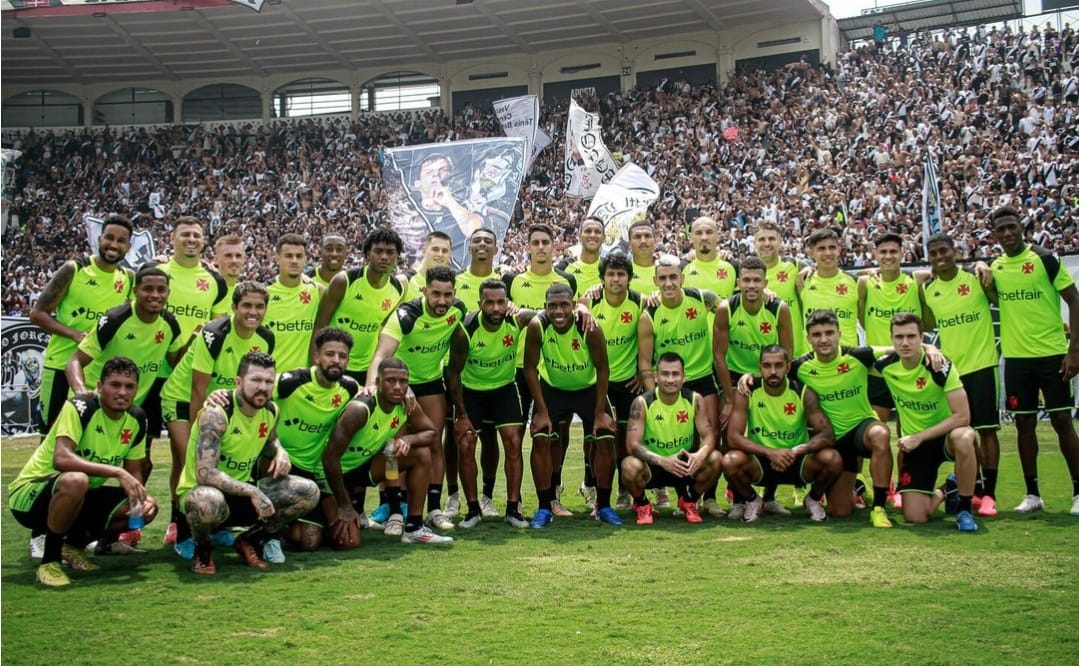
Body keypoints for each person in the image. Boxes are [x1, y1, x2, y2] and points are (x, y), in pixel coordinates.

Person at [9, 357, 157, 587]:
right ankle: (49, 562)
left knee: (148, 507)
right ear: (99, 387)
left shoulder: (137, 418)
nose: (122, 392)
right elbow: (61, 458)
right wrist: (117, 472)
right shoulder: (81, 407)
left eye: (129, 386)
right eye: (114, 385)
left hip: (81, 497)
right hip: (31, 495)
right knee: (76, 480)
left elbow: (134, 472)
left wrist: (141, 500)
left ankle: (74, 546)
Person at [178, 352, 320, 574]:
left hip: (244, 494)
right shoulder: (217, 413)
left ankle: (250, 540)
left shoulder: (271, 410)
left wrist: (280, 452)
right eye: (255, 380)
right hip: (206, 493)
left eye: (268, 381)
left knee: (308, 491)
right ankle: (202, 550)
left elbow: (271, 440)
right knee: (206, 501)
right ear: (238, 382)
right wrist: (252, 491)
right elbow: (204, 473)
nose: (262, 387)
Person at [752, 309, 895, 526]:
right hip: (831, 441)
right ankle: (851, 487)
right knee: (840, 511)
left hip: (860, 429)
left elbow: (901, 349)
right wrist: (747, 378)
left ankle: (879, 507)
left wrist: (929, 348)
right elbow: (773, 375)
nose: (824, 339)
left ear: (839, 333)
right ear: (808, 338)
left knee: (880, 434)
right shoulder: (800, 367)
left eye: (829, 333)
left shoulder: (858, 355)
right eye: (817, 335)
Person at [161, 282, 275, 552]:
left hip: (222, 405)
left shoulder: (266, 337)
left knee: (218, 464)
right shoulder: (214, 334)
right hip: (183, 398)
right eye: (246, 305)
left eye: (259, 306)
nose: (253, 311)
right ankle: (181, 528)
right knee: (186, 459)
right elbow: (198, 387)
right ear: (234, 307)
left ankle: (218, 524)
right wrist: (196, 437)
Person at [988, 206, 1079, 516]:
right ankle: (1032, 493)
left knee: (1062, 422)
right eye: (1001, 230)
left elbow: (1074, 300)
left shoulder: (1044, 259)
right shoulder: (996, 267)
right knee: (1023, 424)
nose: (1007, 233)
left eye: (1012, 227)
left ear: (1021, 228)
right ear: (995, 235)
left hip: (1052, 355)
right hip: (1016, 360)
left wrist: (1074, 351)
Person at [366, 265, 467, 531]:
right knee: (394, 449)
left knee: (434, 442)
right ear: (424, 290)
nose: (442, 301)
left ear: (454, 293)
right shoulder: (406, 315)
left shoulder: (459, 311)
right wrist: (372, 386)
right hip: (399, 387)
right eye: (436, 294)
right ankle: (396, 513)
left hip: (432, 383)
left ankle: (434, 509)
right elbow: (381, 355)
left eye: (447, 295)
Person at [65, 266, 186, 486]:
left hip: (130, 409)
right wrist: (82, 394)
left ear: (169, 293)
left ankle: (130, 512)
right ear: (136, 290)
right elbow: (74, 361)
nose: (155, 295)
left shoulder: (170, 324)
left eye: (161, 290)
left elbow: (176, 362)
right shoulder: (115, 318)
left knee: (142, 465)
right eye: (148, 289)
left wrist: (193, 343)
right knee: (79, 469)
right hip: (95, 404)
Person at [323, 358, 452, 545]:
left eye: (403, 382)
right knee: (338, 541)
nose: (398, 387)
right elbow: (329, 459)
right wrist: (344, 504)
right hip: (333, 476)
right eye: (391, 380)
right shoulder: (360, 409)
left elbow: (431, 432)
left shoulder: (406, 404)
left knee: (421, 454)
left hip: (364, 468)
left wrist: (408, 439)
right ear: (377, 383)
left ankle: (414, 528)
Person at [920, 233, 1001, 517]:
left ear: (956, 251)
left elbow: (998, 299)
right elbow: (928, 323)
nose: (940, 257)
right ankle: (971, 488)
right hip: (951, 373)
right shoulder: (929, 289)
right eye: (934, 254)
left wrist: (983, 265)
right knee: (961, 434)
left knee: (987, 431)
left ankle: (989, 494)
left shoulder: (975, 278)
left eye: (944, 251)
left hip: (981, 365)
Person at [524, 283, 619, 528]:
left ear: (573, 304)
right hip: (553, 389)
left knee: (606, 437)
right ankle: (545, 507)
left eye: (564, 305)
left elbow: (603, 369)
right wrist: (542, 410)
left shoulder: (589, 327)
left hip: (587, 389)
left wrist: (599, 412)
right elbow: (530, 368)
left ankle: (604, 505)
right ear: (545, 307)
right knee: (541, 438)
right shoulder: (538, 326)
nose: (558, 311)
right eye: (552, 306)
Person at [875, 314, 980, 531]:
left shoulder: (940, 367)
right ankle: (948, 488)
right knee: (916, 517)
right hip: (918, 448)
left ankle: (964, 509)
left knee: (965, 436)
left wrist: (918, 437)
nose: (905, 343)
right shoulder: (884, 365)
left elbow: (962, 416)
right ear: (891, 339)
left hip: (944, 438)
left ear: (921, 336)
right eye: (899, 337)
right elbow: (849, 351)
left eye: (912, 337)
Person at [31, 213, 134, 432]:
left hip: (99, 372)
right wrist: (75, 334)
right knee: (50, 433)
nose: (113, 244)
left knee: (87, 435)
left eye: (120, 240)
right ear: (99, 239)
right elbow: (38, 313)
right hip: (61, 363)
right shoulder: (74, 269)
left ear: (129, 246)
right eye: (109, 238)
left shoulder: (128, 278)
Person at [447, 278, 534, 528]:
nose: (496, 308)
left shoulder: (516, 320)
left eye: (500, 302)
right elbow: (453, 373)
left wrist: (581, 309)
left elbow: (544, 314)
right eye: (489, 303)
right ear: (480, 303)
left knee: (514, 442)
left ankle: (512, 509)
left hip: (505, 390)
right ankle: (473, 509)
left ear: (507, 302)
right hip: (471, 393)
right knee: (466, 443)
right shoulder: (466, 330)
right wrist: (461, 414)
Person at [712, 256, 794, 516]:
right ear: (738, 282)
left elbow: (787, 352)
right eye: (746, 279)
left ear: (765, 282)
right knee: (728, 438)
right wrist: (728, 396)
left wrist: (771, 380)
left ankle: (769, 497)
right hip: (735, 378)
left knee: (771, 431)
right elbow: (719, 356)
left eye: (756, 280)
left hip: (768, 375)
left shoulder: (779, 309)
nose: (751, 285)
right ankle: (740, 499)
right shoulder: (727, 308)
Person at [505, 223, 577, 516]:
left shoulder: (566, 280)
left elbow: (576, 312)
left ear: (554, 246)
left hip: (552, 370)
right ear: (528, 247)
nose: (541, 247)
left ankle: (553, 495)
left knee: (555, 433)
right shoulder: (512, 280)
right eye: (535, 242)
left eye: (546, 242)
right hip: (518, 369)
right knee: (517, 435)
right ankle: (516, 499)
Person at [637, 254, 719, 510]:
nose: (669, 283)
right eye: (663, 278)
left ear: (682, 278)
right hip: (669, 385)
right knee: (670, 436)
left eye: (674, 277)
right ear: (655, 280)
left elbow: (729, 308)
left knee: (709, 437)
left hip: (702, 378)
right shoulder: (648, 315)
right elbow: (645, 363)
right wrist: (654, 399)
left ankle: (708, 499)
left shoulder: (702, 298)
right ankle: (667, 487)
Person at [724, 345, 842, 523]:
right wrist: (770, 452)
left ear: (787, 367)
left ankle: (813, 499)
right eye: (767, 366)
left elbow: (826, 434)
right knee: (730, 461)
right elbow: (733, 437)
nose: (773, 371)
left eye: (779, 365)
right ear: (759, 368)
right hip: (762, 462)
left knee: (833, 459)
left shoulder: (803, 392)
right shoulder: (748, 391)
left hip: (795, 459)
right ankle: (753, 500)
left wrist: (795, 451)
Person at [272, 327, 361, 552]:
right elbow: (253, 393)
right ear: (316, 357)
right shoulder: (290, 382)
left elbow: (373, 395)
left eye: (342, 356)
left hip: (318, 473)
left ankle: (309, 519)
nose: (336, 361)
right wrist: (220, 396)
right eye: (330, 354)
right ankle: (273, 529)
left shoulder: (349, 388)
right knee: (306, 541)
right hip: (281, 468)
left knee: (345, 541)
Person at [621, 352, 723, 525]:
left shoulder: (695, 399)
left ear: (684, 377)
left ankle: (689, 501)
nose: (670, 379)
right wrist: (662, 460)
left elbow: (709, 436)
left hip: (683, 464)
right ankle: (642, 504)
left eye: (675, 374)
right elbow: (632, 445)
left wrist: (700, 454)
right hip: (654, 465)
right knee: (629, 466)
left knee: (716, 459)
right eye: (665, 374)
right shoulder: (642, 403)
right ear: (656, 376)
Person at [583, 251, 645, 510]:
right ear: (602, 278)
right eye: (611, 274)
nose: (616, 279)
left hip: (628, 382)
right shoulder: (591, 302)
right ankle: (592, 485)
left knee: (627, 441)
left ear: (629, 278)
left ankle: (624, 490)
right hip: (598, 383)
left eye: (621, 274)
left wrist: (643, 372)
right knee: (596, 439)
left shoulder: (640, 302)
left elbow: (647, 337)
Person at [312, 227, 408, 385]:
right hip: (334, 365)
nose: (384, 257)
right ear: (368, 254)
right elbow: (320, 325)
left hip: (366, 369)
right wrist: (316, 366)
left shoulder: (398, 290)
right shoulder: (344, 281)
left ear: (397, 256)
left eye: (390, 252)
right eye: (378, 251)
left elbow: (382, 330)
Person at [857, 232, 922, 423]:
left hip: (909, 365)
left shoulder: (915, 281)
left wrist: (980, 264)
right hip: (878, 366)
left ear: (902, 253)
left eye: (893, 251)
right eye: (883, 252)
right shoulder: (866, 283)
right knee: (878, 429)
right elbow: (862, 318)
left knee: (911, 427)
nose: (888, 256)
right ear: (875, 255)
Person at [412, 153, 483, 268]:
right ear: (417, 183)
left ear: (450, 175)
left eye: (442, 170)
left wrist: (450, 202)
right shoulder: (409, 213)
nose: (436, 175)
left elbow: (474, 232)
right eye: (429, 172)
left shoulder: (464, 205)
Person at [264, 233, 322, 374]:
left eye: (299, 256)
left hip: (303, 380)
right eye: (288, 256)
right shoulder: (264, 293)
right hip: (270, 378)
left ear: (306, 259)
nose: (294, 261)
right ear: (277, 259)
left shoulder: (316, 291)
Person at [754, 220, 807, 356]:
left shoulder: (793, 265)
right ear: (754, 243)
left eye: (771, 239)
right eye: (762, 239)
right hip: (762, 355)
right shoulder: (747, 272)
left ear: (780, 242)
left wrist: (811, 268)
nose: (767, 243)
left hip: (795, 352)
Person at [799, 228, 859, 346]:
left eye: (832, 247)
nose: (827, 253)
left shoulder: (855, 282)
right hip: (813, 359)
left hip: (848, 358)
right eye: (821, 248)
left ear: (839, 250)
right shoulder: (802, 281)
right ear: (811, 253)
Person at [682, 216, 738, 299]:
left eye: (709, 232)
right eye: (698, 233)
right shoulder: (682, 268)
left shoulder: (733, 266)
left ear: (718, 236)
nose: (704, 237)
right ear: (691, 237)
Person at [558, 216, 605, 299]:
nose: (593, 235)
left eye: (597, 232)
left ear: (604, 238)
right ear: (579, 236)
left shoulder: (610, 268)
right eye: (588, 231)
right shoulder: (563, 267)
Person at [404, 231, 453, 299]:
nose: (440, 254)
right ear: (424, 250)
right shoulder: (405, 281)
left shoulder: (455, 282)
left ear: (450, 254)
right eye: (435, 249)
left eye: (444, 251)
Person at [211, 233, 246, 318]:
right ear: (216, 259)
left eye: (238, 256)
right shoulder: (208, 289)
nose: (234, 260)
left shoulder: (245, 294)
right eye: (228, 256)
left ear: (244, 259)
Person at [627, 219, 658, 295]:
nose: (643, 241)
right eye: (637, 237)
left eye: (647, 236)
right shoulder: (622, 271)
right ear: (629, 244)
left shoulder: (668, 270)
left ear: (655, 242)